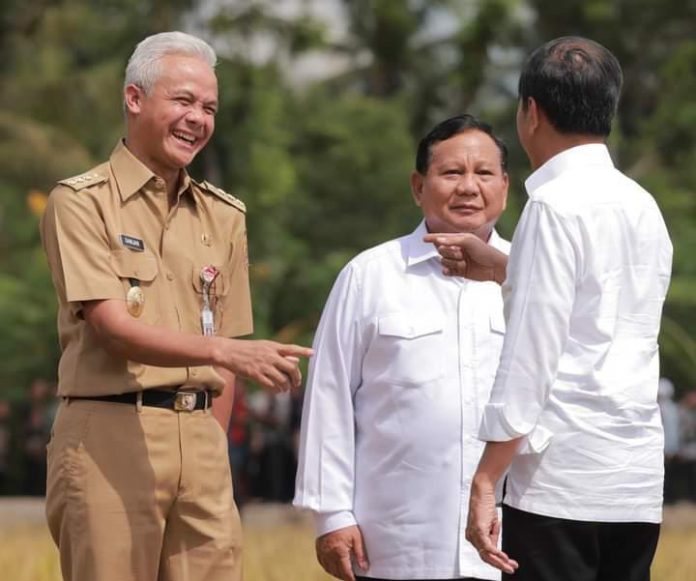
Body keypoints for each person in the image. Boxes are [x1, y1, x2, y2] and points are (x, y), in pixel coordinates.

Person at [40, 31, 312, 581]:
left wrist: (208, 442)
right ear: (134, 98)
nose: (198, 119)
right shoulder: (80, 202)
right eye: (183, 101)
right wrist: (227, 356)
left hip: (203, 443)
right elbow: (113, 327)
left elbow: (229, 346)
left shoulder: (224, 216)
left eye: (209, 107)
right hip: (110, 432)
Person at [427, 37, 673, 581]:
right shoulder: (643, 205)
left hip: (562, 488)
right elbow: (598, 306)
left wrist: (488, 476)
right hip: (633, 485)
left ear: (530, 112)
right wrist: (504, 265)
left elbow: (531, 358)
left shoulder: (553, 207)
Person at [294, 114, 511, 581]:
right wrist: (331, 515)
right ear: (418, 186)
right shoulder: (369, 276)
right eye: (452, 173)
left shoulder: (530, 278)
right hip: (393, 545)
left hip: (510, 542)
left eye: (484, 173)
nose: (469, 187)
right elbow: (329, 397)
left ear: (506, 187)